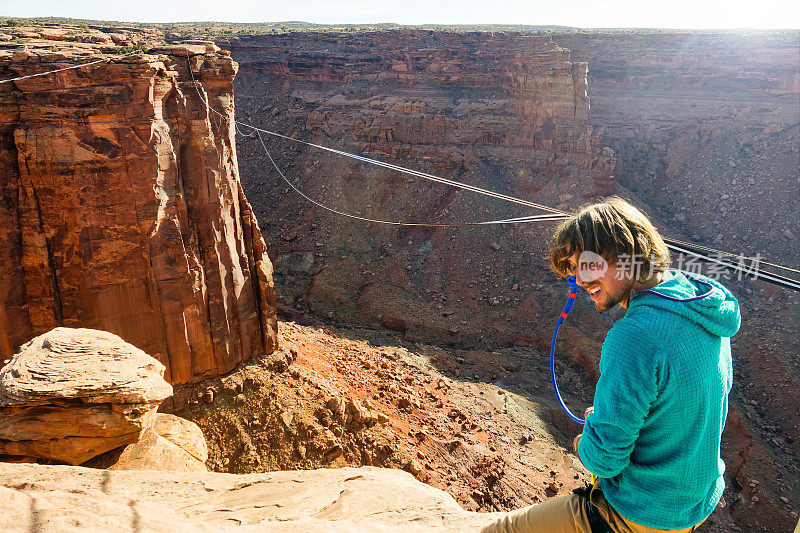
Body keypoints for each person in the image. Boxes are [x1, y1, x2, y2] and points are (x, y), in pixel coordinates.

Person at [481, 197, 740, 533]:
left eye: (588, 265)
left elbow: (604, 458)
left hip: (641, 513)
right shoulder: (704, 306)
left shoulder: (635, 335)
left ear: (626, 254)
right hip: (693, 504)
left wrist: (585, 438)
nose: (579, 280)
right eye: (573, 268)